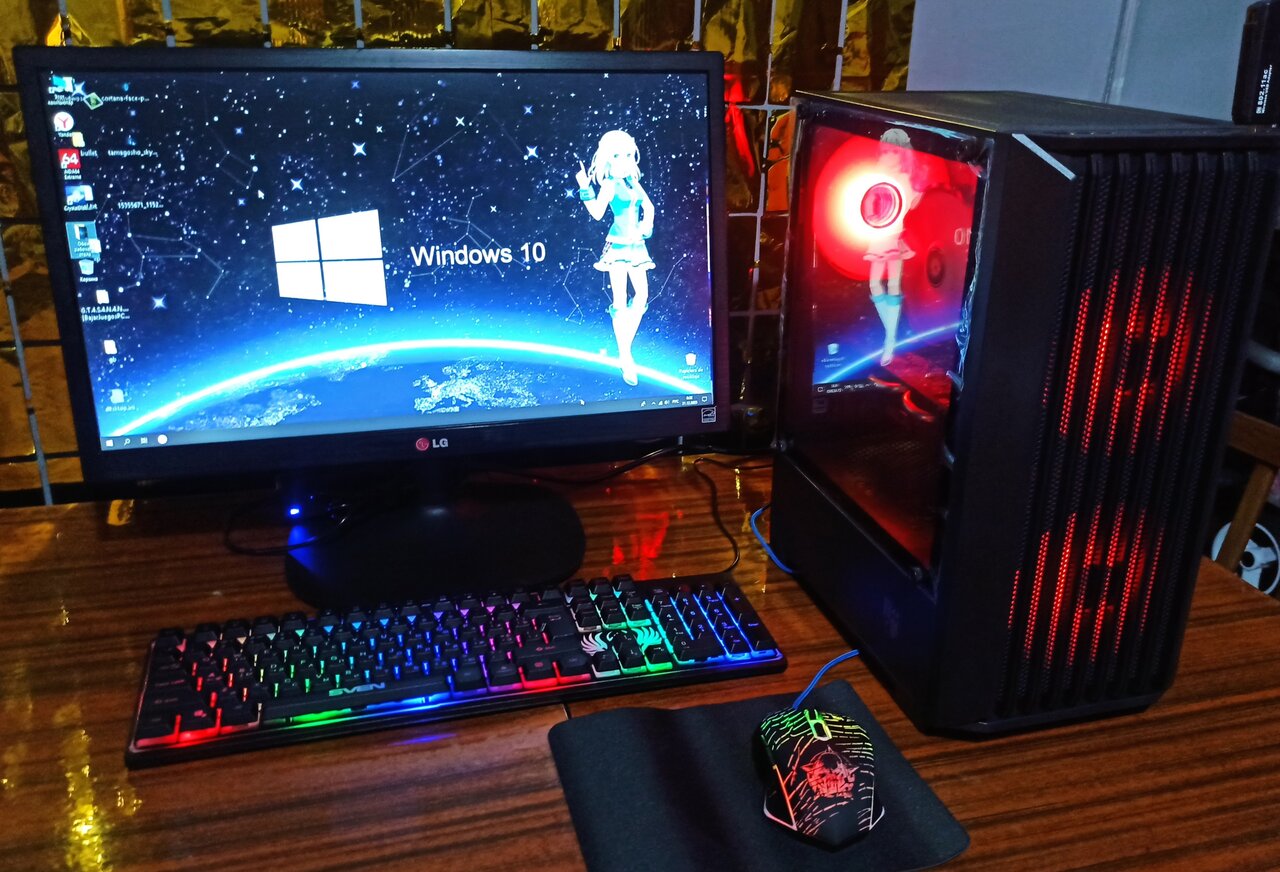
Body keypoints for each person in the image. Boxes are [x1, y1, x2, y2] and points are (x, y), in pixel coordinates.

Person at [575, 129, 655, 386]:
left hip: (637, 245)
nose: (625, 160)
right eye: (618, 155)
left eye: (629, 155)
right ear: (608, 158)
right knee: (620, 301)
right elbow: (598, 212)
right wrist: (584, 187)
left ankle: (624, 351)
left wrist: (646, 226)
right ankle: (626, 357)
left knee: (641, 296)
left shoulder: (632, 182)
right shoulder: (610, 184)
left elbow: (649, 206)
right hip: (618, 246)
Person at [864, 127, 919, 366]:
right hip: (878, 234)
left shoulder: (906, 178)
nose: (889, 155)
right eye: (886, 150)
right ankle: (891, 337)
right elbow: (867, 200)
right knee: (875, 283)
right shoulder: (877, 173)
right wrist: (870, 214)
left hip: (895, 235)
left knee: (894, 284)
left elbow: (910, 204)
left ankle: (890, 341)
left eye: (894, 151)